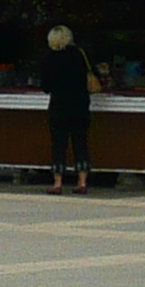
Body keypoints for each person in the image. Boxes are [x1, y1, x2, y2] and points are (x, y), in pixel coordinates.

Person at [41, 23, 95, 194]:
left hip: (59, 106)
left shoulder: (49, 58)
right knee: (80, 142)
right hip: (80, 104)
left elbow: (46, 86)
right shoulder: (80, 54)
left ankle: (58, 182)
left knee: (59, 144)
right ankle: (82, 181)